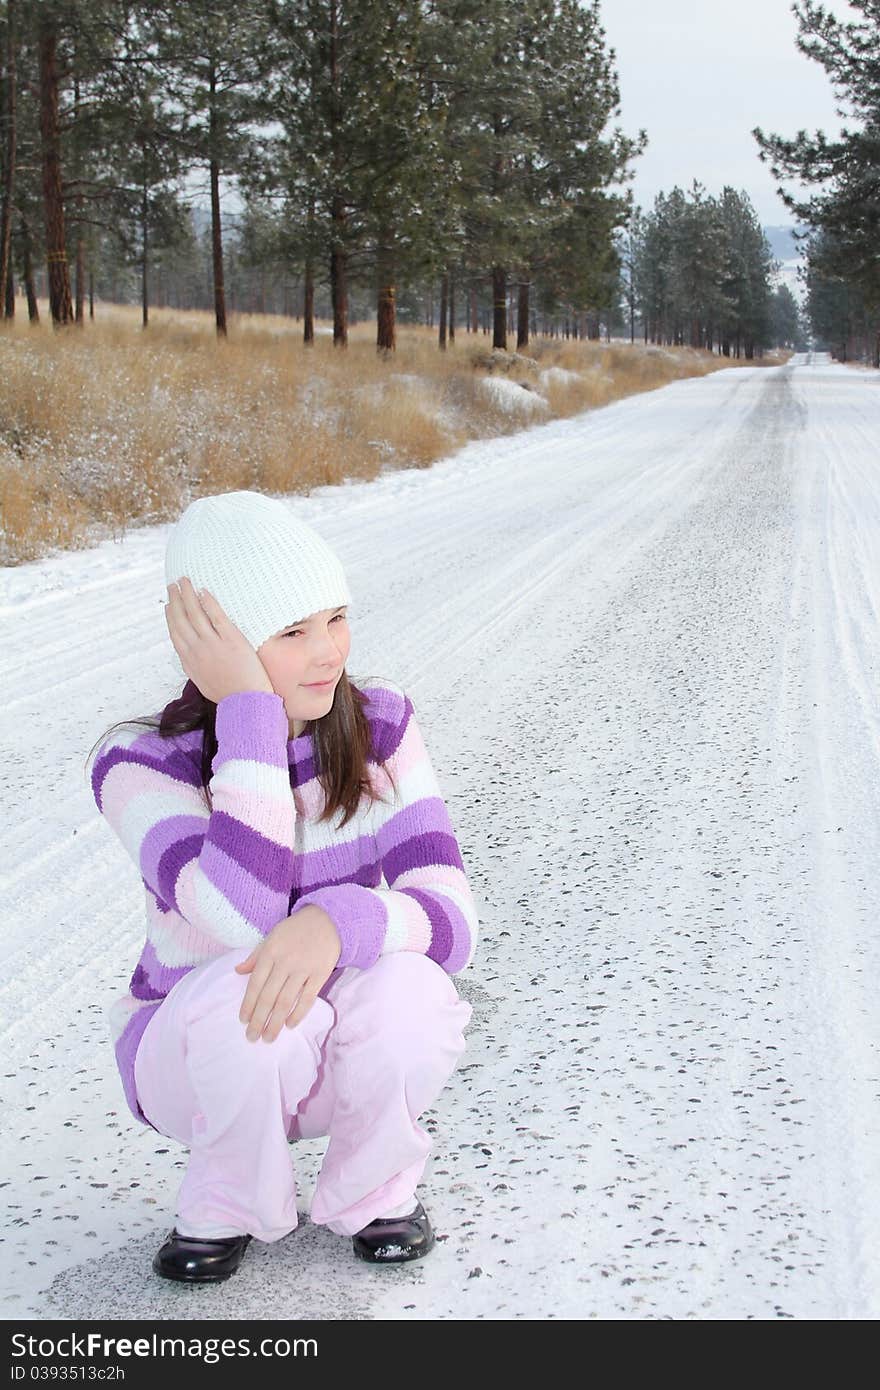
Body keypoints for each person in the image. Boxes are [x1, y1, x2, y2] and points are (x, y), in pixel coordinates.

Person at [88, 490, 476, 1283]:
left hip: (334, 1052)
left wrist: (339, 922)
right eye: (293, 631)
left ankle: (376, 1191)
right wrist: (252, 716)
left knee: (411, 987)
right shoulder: (137, 764)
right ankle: (226, 1199)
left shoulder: (382, 727)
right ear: (213, 649)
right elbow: (239, 912)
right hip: (194, 1061)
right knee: (242, 985)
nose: (330, 650)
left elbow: (453, 921)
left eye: (336, 617)